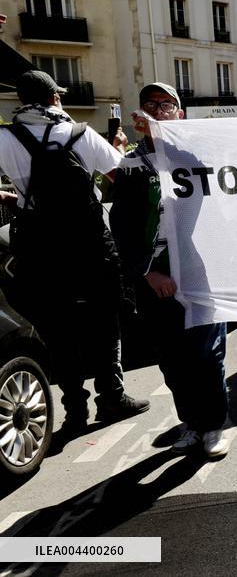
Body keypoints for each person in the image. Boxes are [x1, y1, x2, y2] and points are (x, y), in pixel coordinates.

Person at [0, 70, 148, 432]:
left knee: (56, 328)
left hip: (39, 246)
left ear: (22, 101)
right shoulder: (80, 133)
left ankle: (75, 411)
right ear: (55, 98)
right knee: (104, 320)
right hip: (89, 242)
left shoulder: (4, 138)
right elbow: (123, 180)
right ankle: (111, 397)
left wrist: (15, 197)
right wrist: (119, 149)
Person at [109, 82, 229, 458]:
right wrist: (147, 272)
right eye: (151, 104)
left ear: (180, 114)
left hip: (199, 270)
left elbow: (221, 202)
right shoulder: (131, 164)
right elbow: (122, 226)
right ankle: (191, 423)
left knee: (207, 353)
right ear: (140, 113)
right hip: (157, 278)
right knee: (173, 358)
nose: (158, 111)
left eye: (167, 105)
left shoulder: (194, 156)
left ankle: (213, 425)